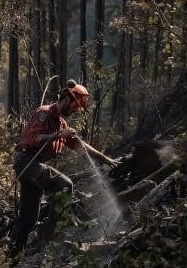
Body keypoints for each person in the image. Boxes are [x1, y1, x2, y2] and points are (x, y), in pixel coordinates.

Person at [7, 80, 120, 257]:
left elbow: (80, 146)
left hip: (31, 167)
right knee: (65, 184)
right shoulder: (44, 113)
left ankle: (10, 257)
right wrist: (58, 135)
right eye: (75, 106)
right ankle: (52, 236)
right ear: (67, 99)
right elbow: (35, 138)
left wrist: (104, 158)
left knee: (29, 218)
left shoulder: (61, 124)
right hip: (27, 162)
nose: (75, 111)